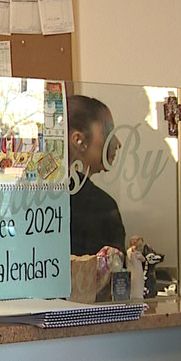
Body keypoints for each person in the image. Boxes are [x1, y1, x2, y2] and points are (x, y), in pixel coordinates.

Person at [68, 94, 125, 256]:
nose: (117, 143)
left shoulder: (38, 199)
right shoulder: (102, 208)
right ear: (79, 140)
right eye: (108, 132)